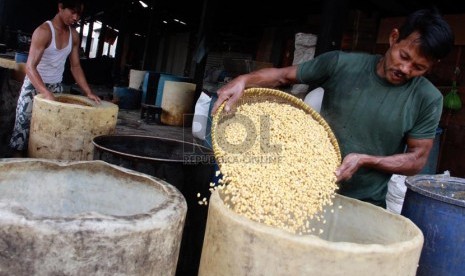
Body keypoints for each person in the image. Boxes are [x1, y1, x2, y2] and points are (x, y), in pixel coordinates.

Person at [211, 8, 454, 207]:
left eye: (418, 67)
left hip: (363, 203)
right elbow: (283, 76)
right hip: (302, 191)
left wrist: (365, 160)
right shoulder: (342, 64)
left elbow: (417, 159)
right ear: (393, 38)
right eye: (404, 56)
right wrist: (243, 80)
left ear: (431, 67)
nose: (406, 69)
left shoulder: (427, 98)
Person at [9, 0, 101, 157]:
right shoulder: (44, 31)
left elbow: (75, 66)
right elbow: (30, 67)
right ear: (60, 7)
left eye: (79, 14)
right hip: (34, 86)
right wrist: (44, 92)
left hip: (56, 87)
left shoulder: (74, 35)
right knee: (22, 130)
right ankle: (17, 164)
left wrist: (87, 91)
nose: (76, 17)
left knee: (52, 132)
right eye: (72, 12)